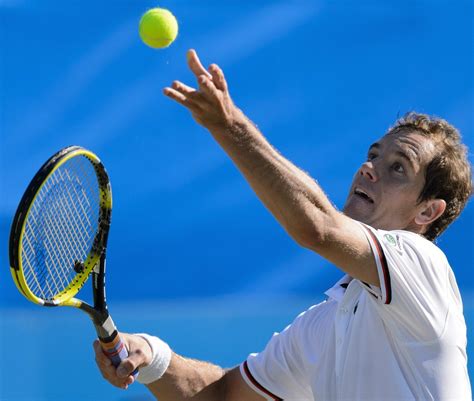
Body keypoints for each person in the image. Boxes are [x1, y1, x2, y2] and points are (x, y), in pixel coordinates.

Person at [94, 49, 472, 400]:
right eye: (373, 155)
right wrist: (153, 356)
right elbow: (223, 396)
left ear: (427, 212)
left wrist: (230, 125)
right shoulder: (324, 323)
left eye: (398, 168)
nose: (369, 168)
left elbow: (318, 227)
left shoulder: (423, 265)